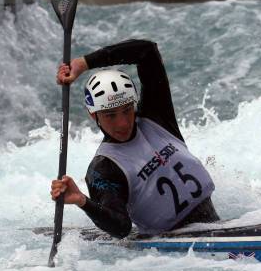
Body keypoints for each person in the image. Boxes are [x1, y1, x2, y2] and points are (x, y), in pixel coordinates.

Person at [49, 39, 219, 238]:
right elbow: (121, 228)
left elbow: (146, 51)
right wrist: (82, 201)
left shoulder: (157, 119)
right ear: (94, 115)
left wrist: (84, 63)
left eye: (127, 110)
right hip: (177, 251)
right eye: (110, 115)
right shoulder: (104, 169)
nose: (122, 123)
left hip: (215, 225)